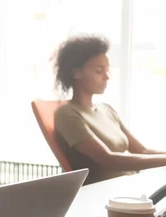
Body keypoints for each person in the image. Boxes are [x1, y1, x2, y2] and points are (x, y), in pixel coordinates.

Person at [54, 36, 166, 185]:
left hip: (133, 185)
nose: (107, 77)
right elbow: (109, 159)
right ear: (76, 73)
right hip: (109, 194)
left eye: (107, 70)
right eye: (99, 71)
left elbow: (142, 150)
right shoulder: (67, 114)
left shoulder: (107, 110)